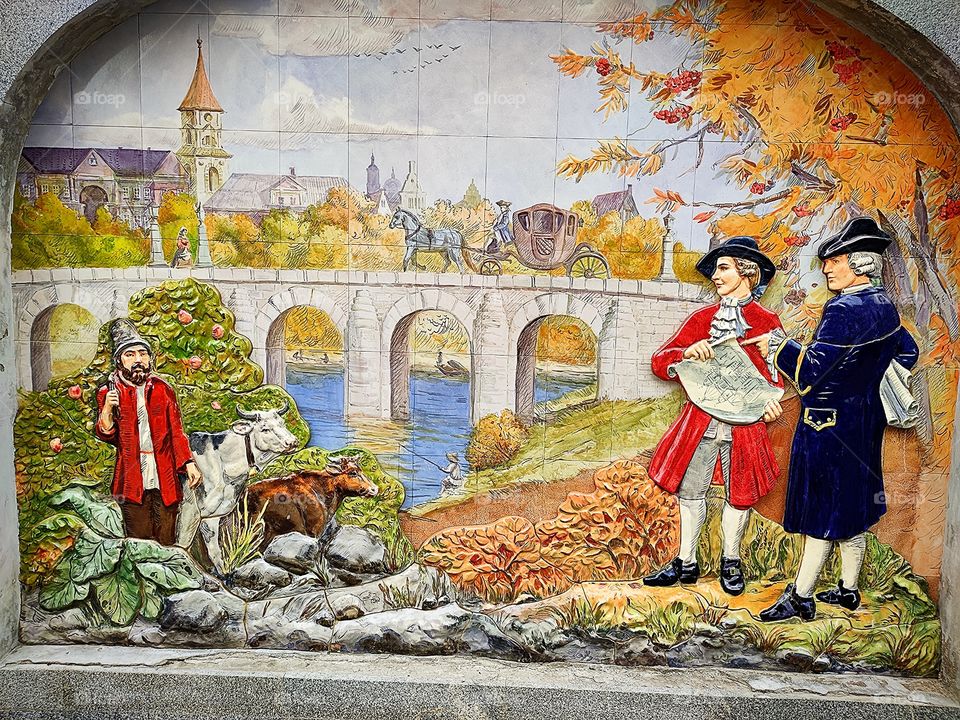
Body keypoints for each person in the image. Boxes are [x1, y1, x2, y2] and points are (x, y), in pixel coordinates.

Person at [744, 217, 919, 622]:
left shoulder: (842, 308)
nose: (826, 268)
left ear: (858, 265)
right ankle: (849, 590)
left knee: (822, 512)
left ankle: (801, 597)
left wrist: (778, 346)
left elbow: (811, 373)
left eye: (834, 260)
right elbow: (906, 353)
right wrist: (863, 381)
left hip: (827, 424)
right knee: (852, 506)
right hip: (864, 421)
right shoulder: (884, 306)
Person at [643, 236, 784, 596]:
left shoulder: (767, 322)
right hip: (701, 423)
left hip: (746, 427)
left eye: (724, 268)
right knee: (691, 491)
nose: (716, 277)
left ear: (747, 272)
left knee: (739, 494)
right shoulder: (702, 319)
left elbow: (775, 377)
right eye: (716, 270)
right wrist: (688, 352)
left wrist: (771, 404)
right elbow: (661, 362)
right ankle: (686, 561)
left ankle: (731, 561)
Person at [95, 319, 203, 544]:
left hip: (164, 472)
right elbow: (107, 434)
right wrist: (107, 409)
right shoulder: (109, 391)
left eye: (143, 354)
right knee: (138, 539)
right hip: (132, 477)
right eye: (130, 354)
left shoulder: (163, 390)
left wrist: (188, 463)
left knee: (166, 537)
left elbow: (176, 432)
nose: (138, 360)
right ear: (119, 360)